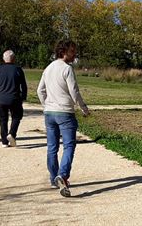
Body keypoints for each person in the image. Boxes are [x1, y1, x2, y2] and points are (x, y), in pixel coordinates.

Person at [37, 40, 89, 197]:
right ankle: (63, 175)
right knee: (69, 146)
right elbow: (74, 91)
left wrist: (46, 105)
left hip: (49, 113)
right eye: (73, 51)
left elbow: (40, 90)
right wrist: (83, 108)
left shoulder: (48, 68)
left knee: (52, 147)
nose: (75, 55)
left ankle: (54, 178)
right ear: (64, 52)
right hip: (65, 113)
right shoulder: (67, 69)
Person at [0, 50, 28, 148]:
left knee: (3, 120)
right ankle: (12, 134)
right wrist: (23, 97)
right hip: (15, 98)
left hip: (1, 99)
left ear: (3, 59)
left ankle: (4, 141)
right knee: (17, 117)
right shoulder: (18, 69)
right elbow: (23, 85)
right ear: (14, 59)